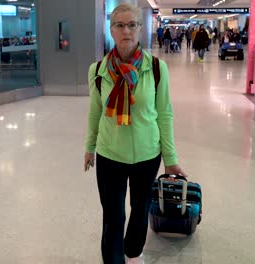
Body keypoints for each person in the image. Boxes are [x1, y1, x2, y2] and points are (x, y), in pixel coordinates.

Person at [84, 3, 186, 264]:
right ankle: (114, 259)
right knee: (113, 216)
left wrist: (170, 158)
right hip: (110, 154)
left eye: (132, 25)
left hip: (147, 154)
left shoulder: (155, 68)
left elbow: (164, 113)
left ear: (140, 29)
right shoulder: (98, 71)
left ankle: (133, 252)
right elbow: (95, 112)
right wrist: (89, 147)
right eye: (120, 25)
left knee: (140, 210)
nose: (126, 31)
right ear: (111, 29)